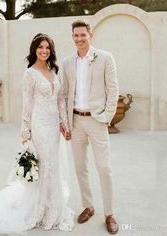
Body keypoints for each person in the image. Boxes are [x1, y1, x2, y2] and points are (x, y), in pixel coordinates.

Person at [0, 33, 74, 235]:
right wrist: (25, 131)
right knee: (44, 166)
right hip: (39, 126)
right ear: (34, 50)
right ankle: (39, 210)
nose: (44, 50)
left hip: (53, 127)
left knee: (53, 166)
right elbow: (27, 104)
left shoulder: (53, 70)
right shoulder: (30, 74)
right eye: (40, 47)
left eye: (47, 47)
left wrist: (64, 124)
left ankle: (53, 207)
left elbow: (60, 100)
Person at [61, 20, 119, 234]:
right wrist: (65, 122)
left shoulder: (105, 57)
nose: (79, 39)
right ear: (72, 37)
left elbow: (113, 90)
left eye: (82, 35)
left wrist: (107, 117)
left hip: (97, 120)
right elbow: (65, 93)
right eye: (75, 35)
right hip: (75, 121)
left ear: (90, 35)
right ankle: (88, 206)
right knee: (79, 167)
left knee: (104, 167)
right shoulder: (67, 63)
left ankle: (109, 213)